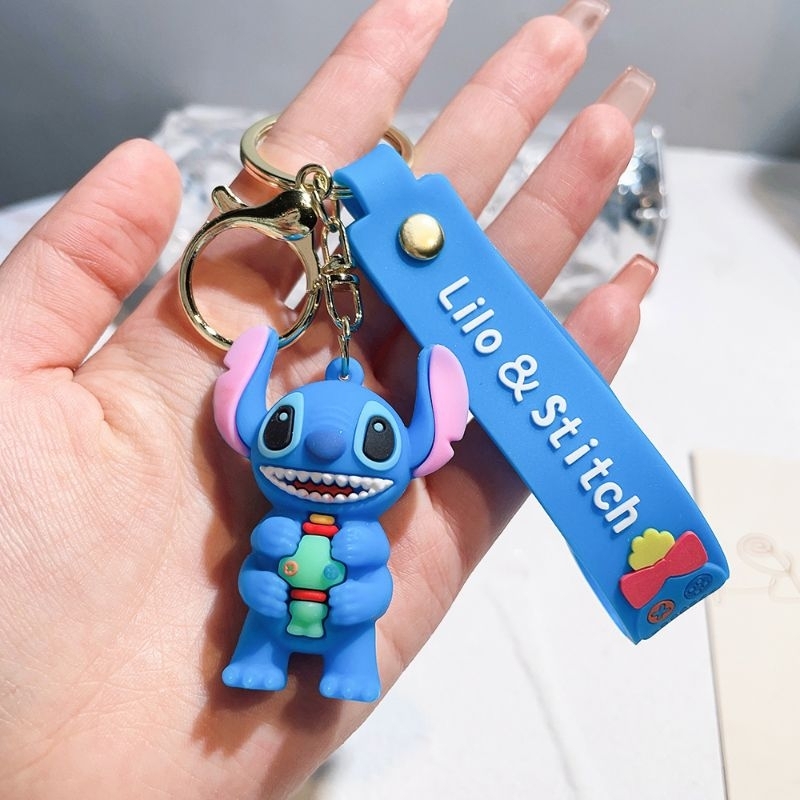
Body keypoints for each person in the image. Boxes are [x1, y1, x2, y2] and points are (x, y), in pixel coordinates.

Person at [0, 0, 658, 797]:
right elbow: (256, 569)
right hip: (270, 610)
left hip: (339, 617)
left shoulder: (364, 529)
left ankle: (346, 665)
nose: (318, 449)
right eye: (282, 428)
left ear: (420, 446)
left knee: (351, 637)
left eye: (375, 442)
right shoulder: (277, 510)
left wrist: (353, 589)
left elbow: (373, 582)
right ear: (244, 425)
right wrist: (265, 583)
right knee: (260, 622)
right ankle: (259, 656)